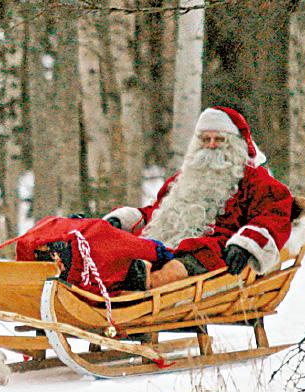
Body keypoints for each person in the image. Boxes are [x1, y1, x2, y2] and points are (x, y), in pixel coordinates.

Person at [103, 106, 292, 289]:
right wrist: (124, 220)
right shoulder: (185, 177)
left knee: (178, 266)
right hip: (162, 245)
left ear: (235, 144)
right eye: (205, 139)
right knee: (120, 249)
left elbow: (273, 213)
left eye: (219, 139)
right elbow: (159, 211)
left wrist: (245, 244)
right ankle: (112, 281)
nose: (210, 145)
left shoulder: (254, 178)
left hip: (211, 251)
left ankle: (146, 285)